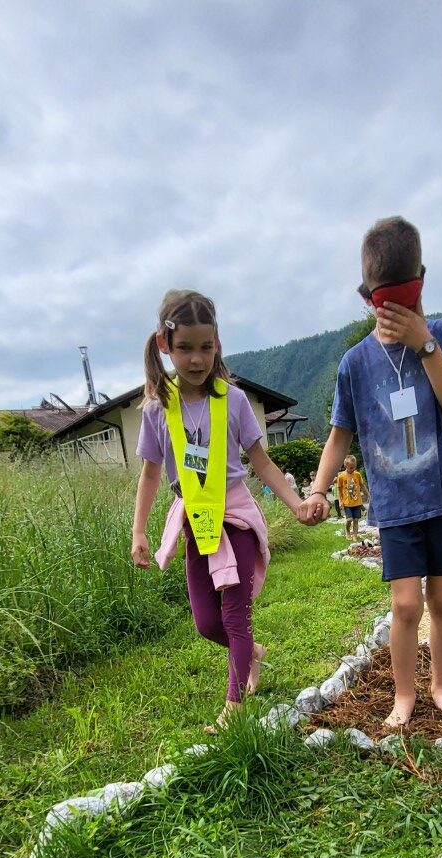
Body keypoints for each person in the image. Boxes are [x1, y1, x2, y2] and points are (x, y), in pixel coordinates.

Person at [303, 215, 442, 723]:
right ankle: (405, 695)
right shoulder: (355, 364)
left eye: (407, 296)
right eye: (386, 300)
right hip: (397, 505)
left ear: (421, 281)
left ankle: (441, 685)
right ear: (367, 297)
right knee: (405, 605)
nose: (397, 309)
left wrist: (425, 344)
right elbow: (339, 434)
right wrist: (318, 489)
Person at [131, 289, 308, 728]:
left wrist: (297, 503)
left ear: (218, 344)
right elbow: (150, 473)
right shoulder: (157, 410)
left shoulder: (234, 400)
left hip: (236, 516)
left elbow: (261, 461)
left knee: (234, 615)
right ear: (164, 345)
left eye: (206, 347)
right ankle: (253, 654)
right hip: (194, 518)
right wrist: (139, 530)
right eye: (185, 348)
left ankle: (234, 709)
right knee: (207, 624)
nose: (196, 359)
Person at [337, 454, 369, 540]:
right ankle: (347, 531)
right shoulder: (341, 476)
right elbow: (339, 490)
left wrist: (368, 495)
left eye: (354, 467)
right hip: (347, 503)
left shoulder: (357, 474)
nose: (353, 469)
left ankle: (355, 536)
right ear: (345, 466)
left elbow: (362, 486)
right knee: (349, 519)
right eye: (351, 468)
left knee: (356, 520)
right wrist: (340, 501)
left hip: (357, 502)